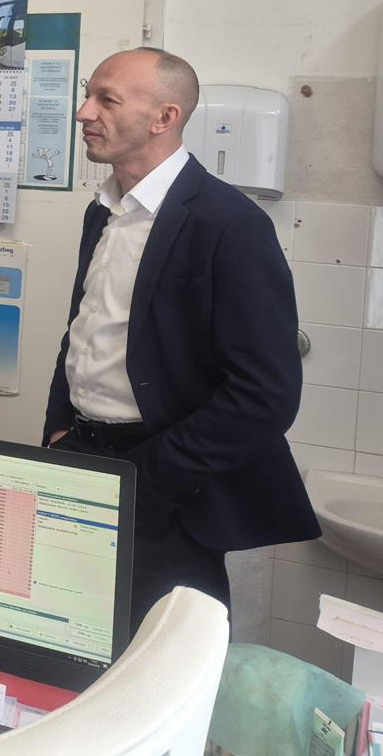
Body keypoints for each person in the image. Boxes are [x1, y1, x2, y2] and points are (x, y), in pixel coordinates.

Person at [43, 47, 319, 621]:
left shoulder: (230, 223)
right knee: (67, 633)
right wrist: (59, 431)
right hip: (83, 458)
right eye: (88, 95)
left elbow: (265, 396)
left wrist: (150, 477)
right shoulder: (104, 211)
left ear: (164, 117)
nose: (84, 112)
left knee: (158, 657)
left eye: (106, 100)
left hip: (168, 482)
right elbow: (83, 333)